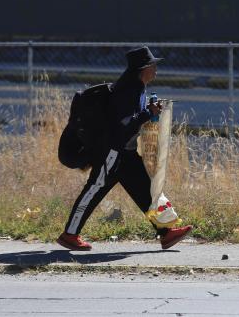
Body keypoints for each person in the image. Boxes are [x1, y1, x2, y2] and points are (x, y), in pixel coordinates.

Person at [57, 46, 192, 251]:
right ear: (144, 68)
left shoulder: (137, 87)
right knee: (93, 191)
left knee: (147, 189)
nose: (156, 69)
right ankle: (69, 235)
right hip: (112, 153)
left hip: (125, 153)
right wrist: (148, 113)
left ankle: (166, 233)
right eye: (153, 65)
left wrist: (149, 113)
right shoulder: (128, 91)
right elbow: (124, 126)